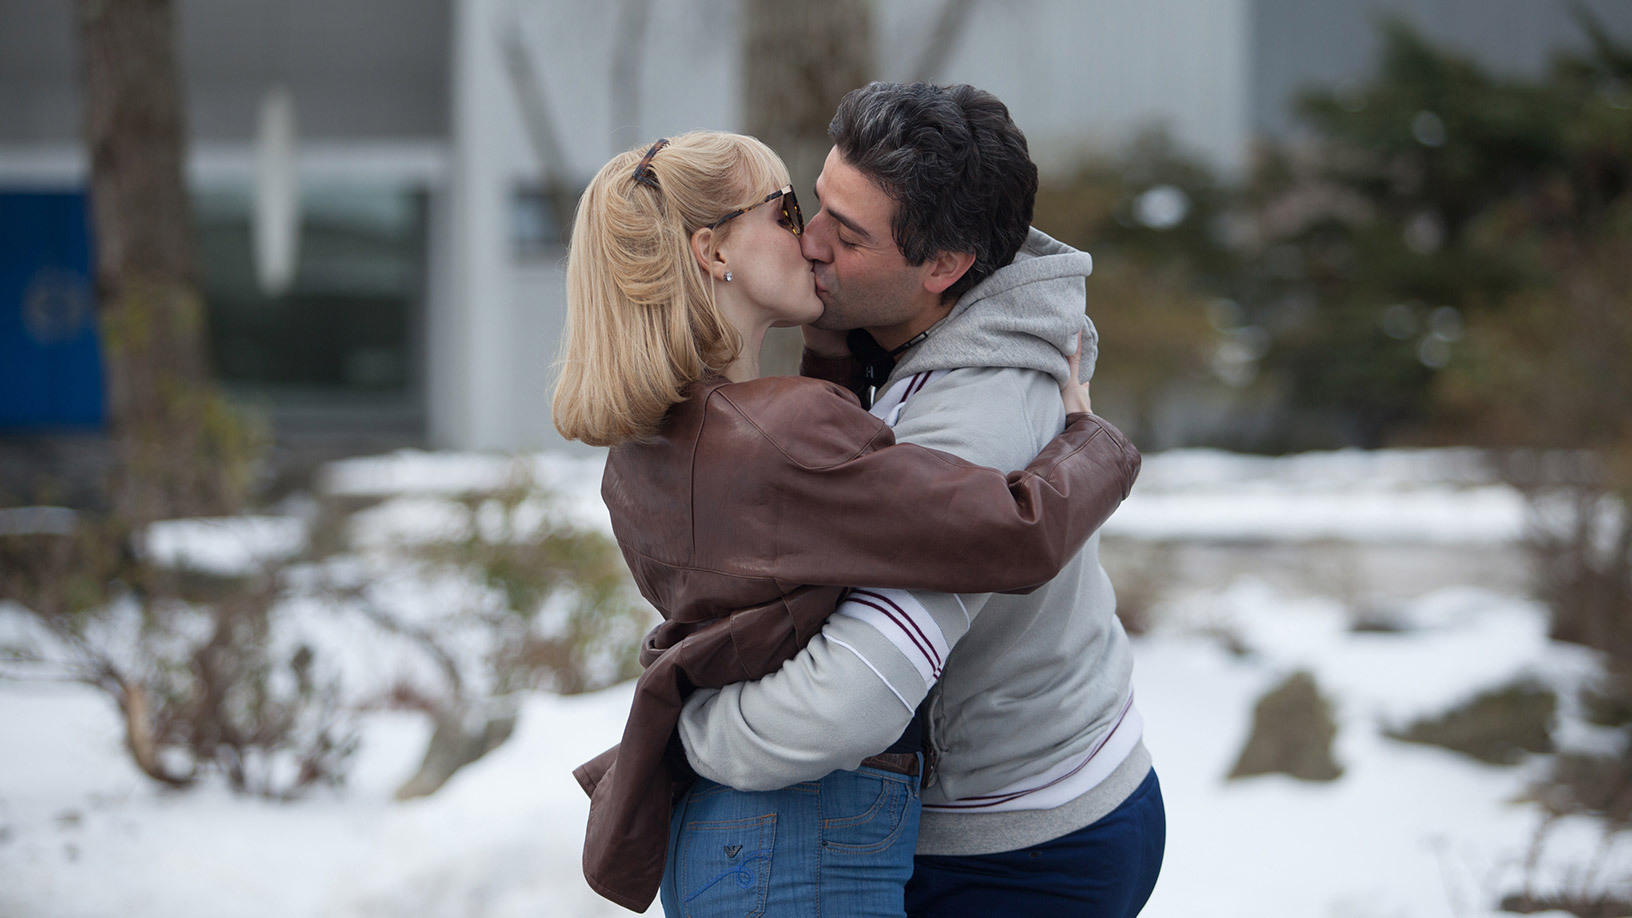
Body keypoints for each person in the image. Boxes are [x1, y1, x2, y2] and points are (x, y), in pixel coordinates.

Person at [552, 131, 1141, 914]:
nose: (811, 239)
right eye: (786, 210)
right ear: (713, 251)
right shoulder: (784, 436)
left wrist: (832, 338)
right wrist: (1095, 444)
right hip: (801, 831)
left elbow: (803, 513)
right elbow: (1013, 530)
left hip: (722, 836)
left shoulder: (645, 452)